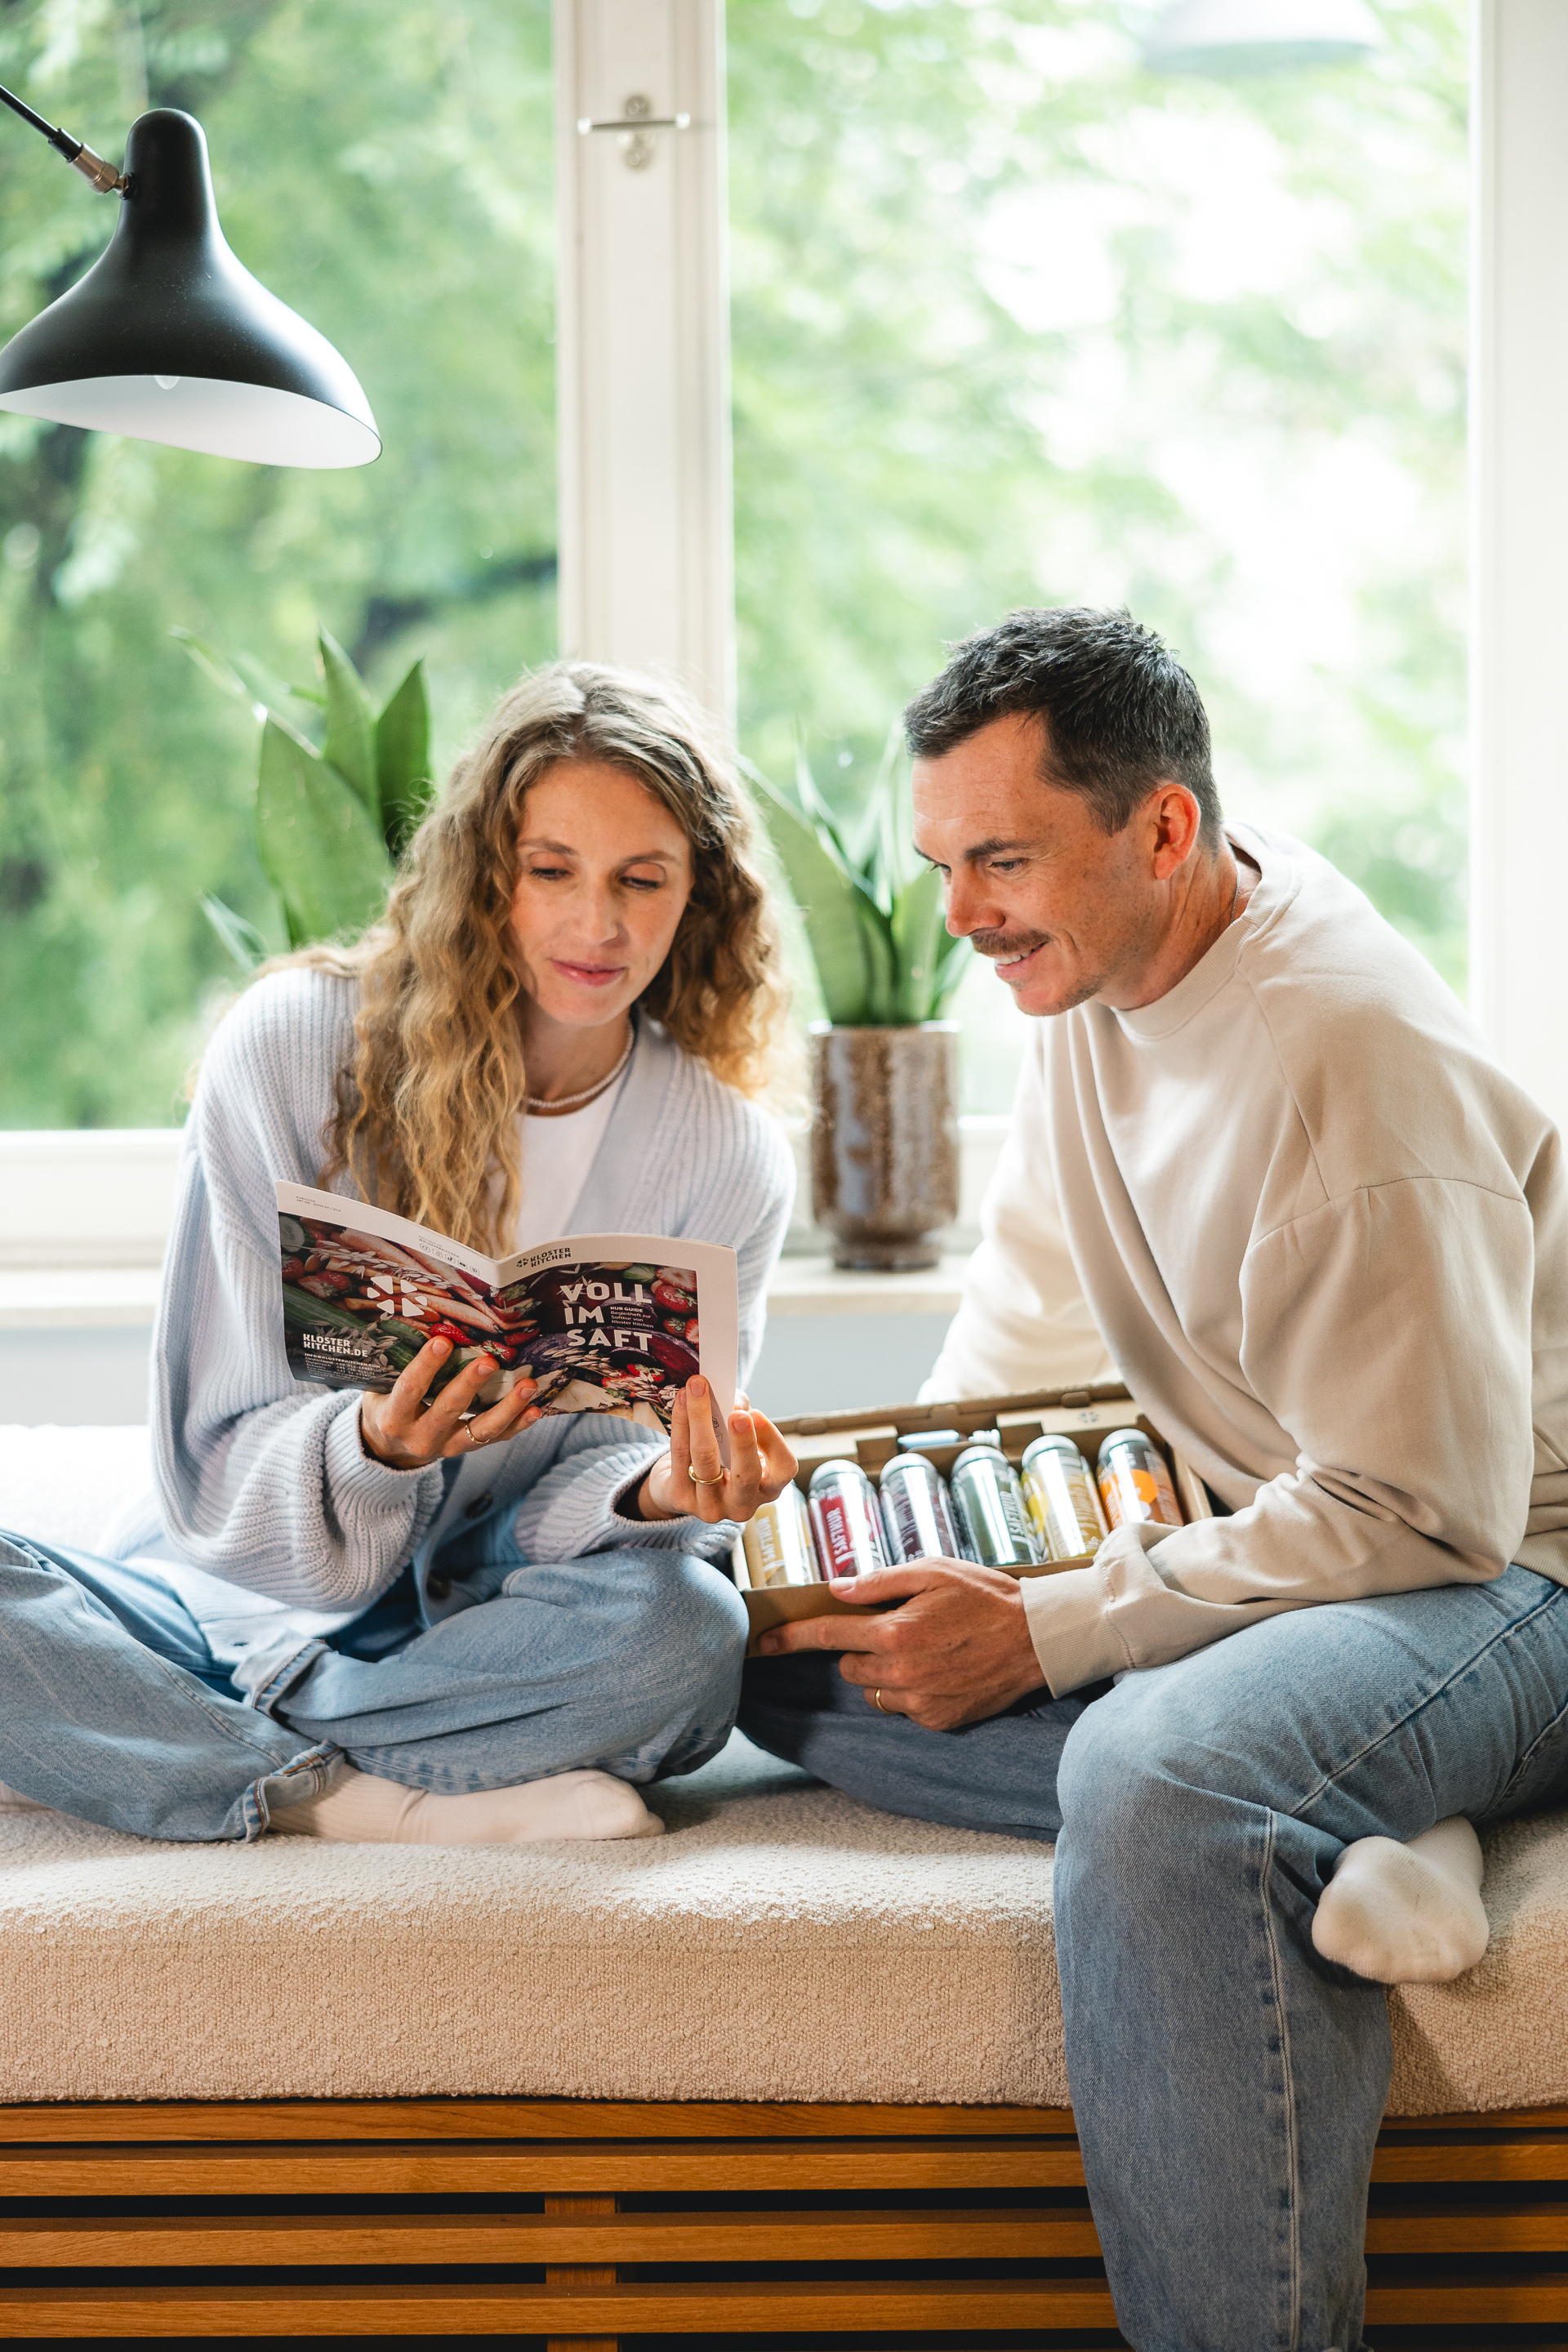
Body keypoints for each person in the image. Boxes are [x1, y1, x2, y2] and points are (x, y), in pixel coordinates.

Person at [740, 606, 1568, 2352]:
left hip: (1507, 1574)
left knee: (1159, 1783)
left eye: (1004, 859)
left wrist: (1050, 1628)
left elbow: (1425, 1509)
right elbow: (1027, 1298)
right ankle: (1371, 1806)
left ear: (1163, 829)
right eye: (947, 861)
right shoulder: (1103, 972)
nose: (964, 912)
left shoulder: (1350, 1063)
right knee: (784, 1656)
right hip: (1293, 1546)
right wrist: (914, 1537)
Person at [0, 662, 798, 1848]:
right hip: (223, 1604)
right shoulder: (291, 1050)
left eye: (645, 879)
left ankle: (186, 1748)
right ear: (484, 875)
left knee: (688, 1633)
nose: (600, 925)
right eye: (551, 871)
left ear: (701, 899)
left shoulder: (727, 1157)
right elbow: (213, 1447)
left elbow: (570, 1503)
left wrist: (661, 1491)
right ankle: (358, 1797)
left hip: (491, 1621)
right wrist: (371, 1447)